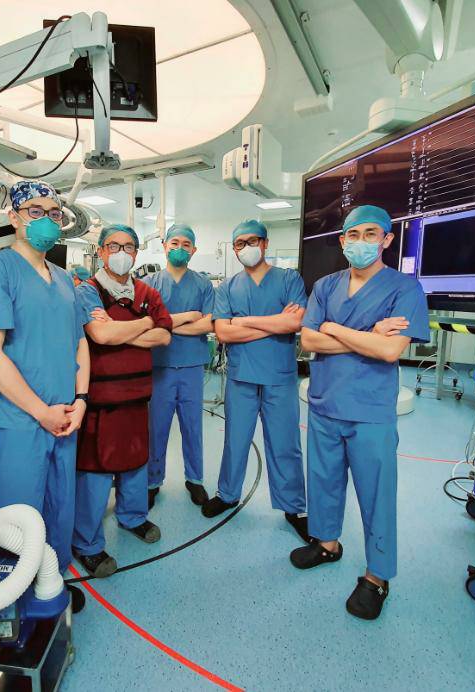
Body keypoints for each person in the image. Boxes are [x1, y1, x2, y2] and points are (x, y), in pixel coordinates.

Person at [291, 204, 430, 621]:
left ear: (387, 240)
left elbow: (389, 350)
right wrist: (366, 333)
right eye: (354, 235)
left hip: (370, 411)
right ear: (342, 241)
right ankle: (327, 543)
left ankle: (376, 576)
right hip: (325, 404)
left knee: (376, 495)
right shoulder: (325, 285)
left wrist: (333, 328)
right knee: (324, 482)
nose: (361, 242)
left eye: (372, 234)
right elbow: (309, 341)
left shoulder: (405, 289)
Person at [0, 180, 89, 613]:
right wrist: (39, 411)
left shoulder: (63, 280)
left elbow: (79, 343)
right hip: (21, 420)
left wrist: (81, 399)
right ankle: (11, 606)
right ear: (14, 217)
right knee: (17, 518)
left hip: (63, 418)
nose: (45, 220)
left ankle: (49, 587)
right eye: (34, 211)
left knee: (58, 509)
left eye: (53, 213)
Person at [73, 224, 173, 578]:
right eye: (113, 245)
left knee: (134, 463)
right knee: (96, 472)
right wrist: (142, 323)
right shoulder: (88, 291)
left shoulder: (147, 292)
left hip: (137, 396)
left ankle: (133, 517)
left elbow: (163, 335)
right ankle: (87, 543)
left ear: (136, 253)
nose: (121, 252)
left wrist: (123, 333)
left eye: (128, 246)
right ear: (100, 251)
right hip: (100, 400)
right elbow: (99, 333)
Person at [203, 219, 309, 543]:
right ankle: (228, 494)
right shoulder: (227, 288)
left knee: (285, 445)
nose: (246, 248)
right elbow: (222, 331)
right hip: (241, 379)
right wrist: (274, 322)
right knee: (235, 441)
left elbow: (295, 322)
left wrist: (244, 322)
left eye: (252, 241)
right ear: (234, 250)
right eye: (239, 243)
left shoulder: (289, 279)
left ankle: (294, 507)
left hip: (279, 379)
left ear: (265, 243)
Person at [143, 224, 215, 508]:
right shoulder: (150, 284)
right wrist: (188, 319)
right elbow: (149, 323)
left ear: (194, 250)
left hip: (191, 366)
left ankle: (194, 480)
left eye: (187, 244)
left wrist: (169, 324)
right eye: (175, 242)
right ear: (164, 245)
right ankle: (152, 481)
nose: (180, 248)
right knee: (156, 427)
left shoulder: (203, 284)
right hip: (159, 364)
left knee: (192, 426)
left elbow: (208, 323)